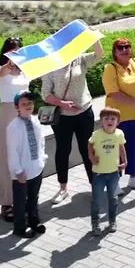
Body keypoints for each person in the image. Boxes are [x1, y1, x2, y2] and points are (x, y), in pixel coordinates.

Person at [41, 38, 104, 204]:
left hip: (84, 112)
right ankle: (63, 188)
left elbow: (99, 55)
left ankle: (94, 185)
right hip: (62, 117)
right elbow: (45, 93)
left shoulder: (80, 59)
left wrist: (94, 38)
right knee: (63, 150)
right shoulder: (50, 66)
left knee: (87, 149)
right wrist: (62, 104)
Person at [102, 38, 135, 192]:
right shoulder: (111, 68)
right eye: (120, 48)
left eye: (127, 47)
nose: (125, 50)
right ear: (115, 52)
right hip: (117, 119)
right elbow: (113, 93)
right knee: (115, 150)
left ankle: (133, 179)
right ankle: (114, 182)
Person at [0, 37, 29, 221]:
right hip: (7, 113)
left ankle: (22, 199)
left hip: (24, 114)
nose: (16, 53)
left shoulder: (25, 72)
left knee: (23, 159)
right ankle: (6, 203)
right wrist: (9, 64)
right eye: (12, 50)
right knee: (6, 160)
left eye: (18, 50)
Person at [5, 91, 47, 239]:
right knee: (20, 201)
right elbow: (13, 151)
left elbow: (41, 142)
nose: (28, 106)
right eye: (24, 104)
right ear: (17, 107)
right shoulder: (13, 127)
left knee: (33, 198)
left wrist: (42, 159)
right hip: (22, 171)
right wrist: (18, 171)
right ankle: (20, 228)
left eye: (30, 103)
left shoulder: (35, 121)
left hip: (36, 167)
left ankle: (34, 222)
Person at [88, 107, 127, 236]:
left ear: (118, 122)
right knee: (96, 200)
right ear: (101, 121)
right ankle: (95, 222)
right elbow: (90, 145)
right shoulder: (96, 134)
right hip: (98, 174)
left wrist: (124, 161)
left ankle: (112, 220)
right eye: (106, 118)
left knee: (113, 199)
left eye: (113, 119)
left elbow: (121, 148)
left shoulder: (119, 134)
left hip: (113, 173)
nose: (109, 121)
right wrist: (91, 157)